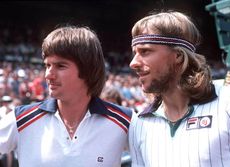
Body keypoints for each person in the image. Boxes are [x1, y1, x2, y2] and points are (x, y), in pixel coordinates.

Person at [0, 26, 132, 167]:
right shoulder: (21, 119)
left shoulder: (126, 122)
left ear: (88, 70)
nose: (48, 75)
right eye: (47, 65)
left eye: (60, 66)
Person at [128, 11, 230, 167]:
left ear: (178, 55)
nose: (133, 63)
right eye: (134, 53)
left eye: (145, 51)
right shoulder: (139, 124)